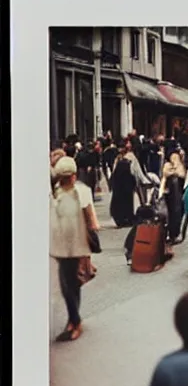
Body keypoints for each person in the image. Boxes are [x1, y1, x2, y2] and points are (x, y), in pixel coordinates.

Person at [50, 156, 100, 342]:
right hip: (62, 245)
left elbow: (92, 221)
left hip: (76, 245)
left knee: (69, 284)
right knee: (69, 284)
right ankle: (74, 320)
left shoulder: (81, 192)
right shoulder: (57, 193)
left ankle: (75, 321)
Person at [160, 149, 186, 245]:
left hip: (170, 196)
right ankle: (173, 234)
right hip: (175, 198)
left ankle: (171, 234)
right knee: (175, 215)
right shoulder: (178, 171)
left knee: (171, 215)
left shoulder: (170, 169)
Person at [110, 144, 137, 227]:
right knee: (127, 205)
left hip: (118, 189)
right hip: (127, 189)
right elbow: (132, 177)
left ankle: (121, 220)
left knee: (119, 204)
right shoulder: (127, 164)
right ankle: (128, 219)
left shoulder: (119, 164)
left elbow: (114, 176)